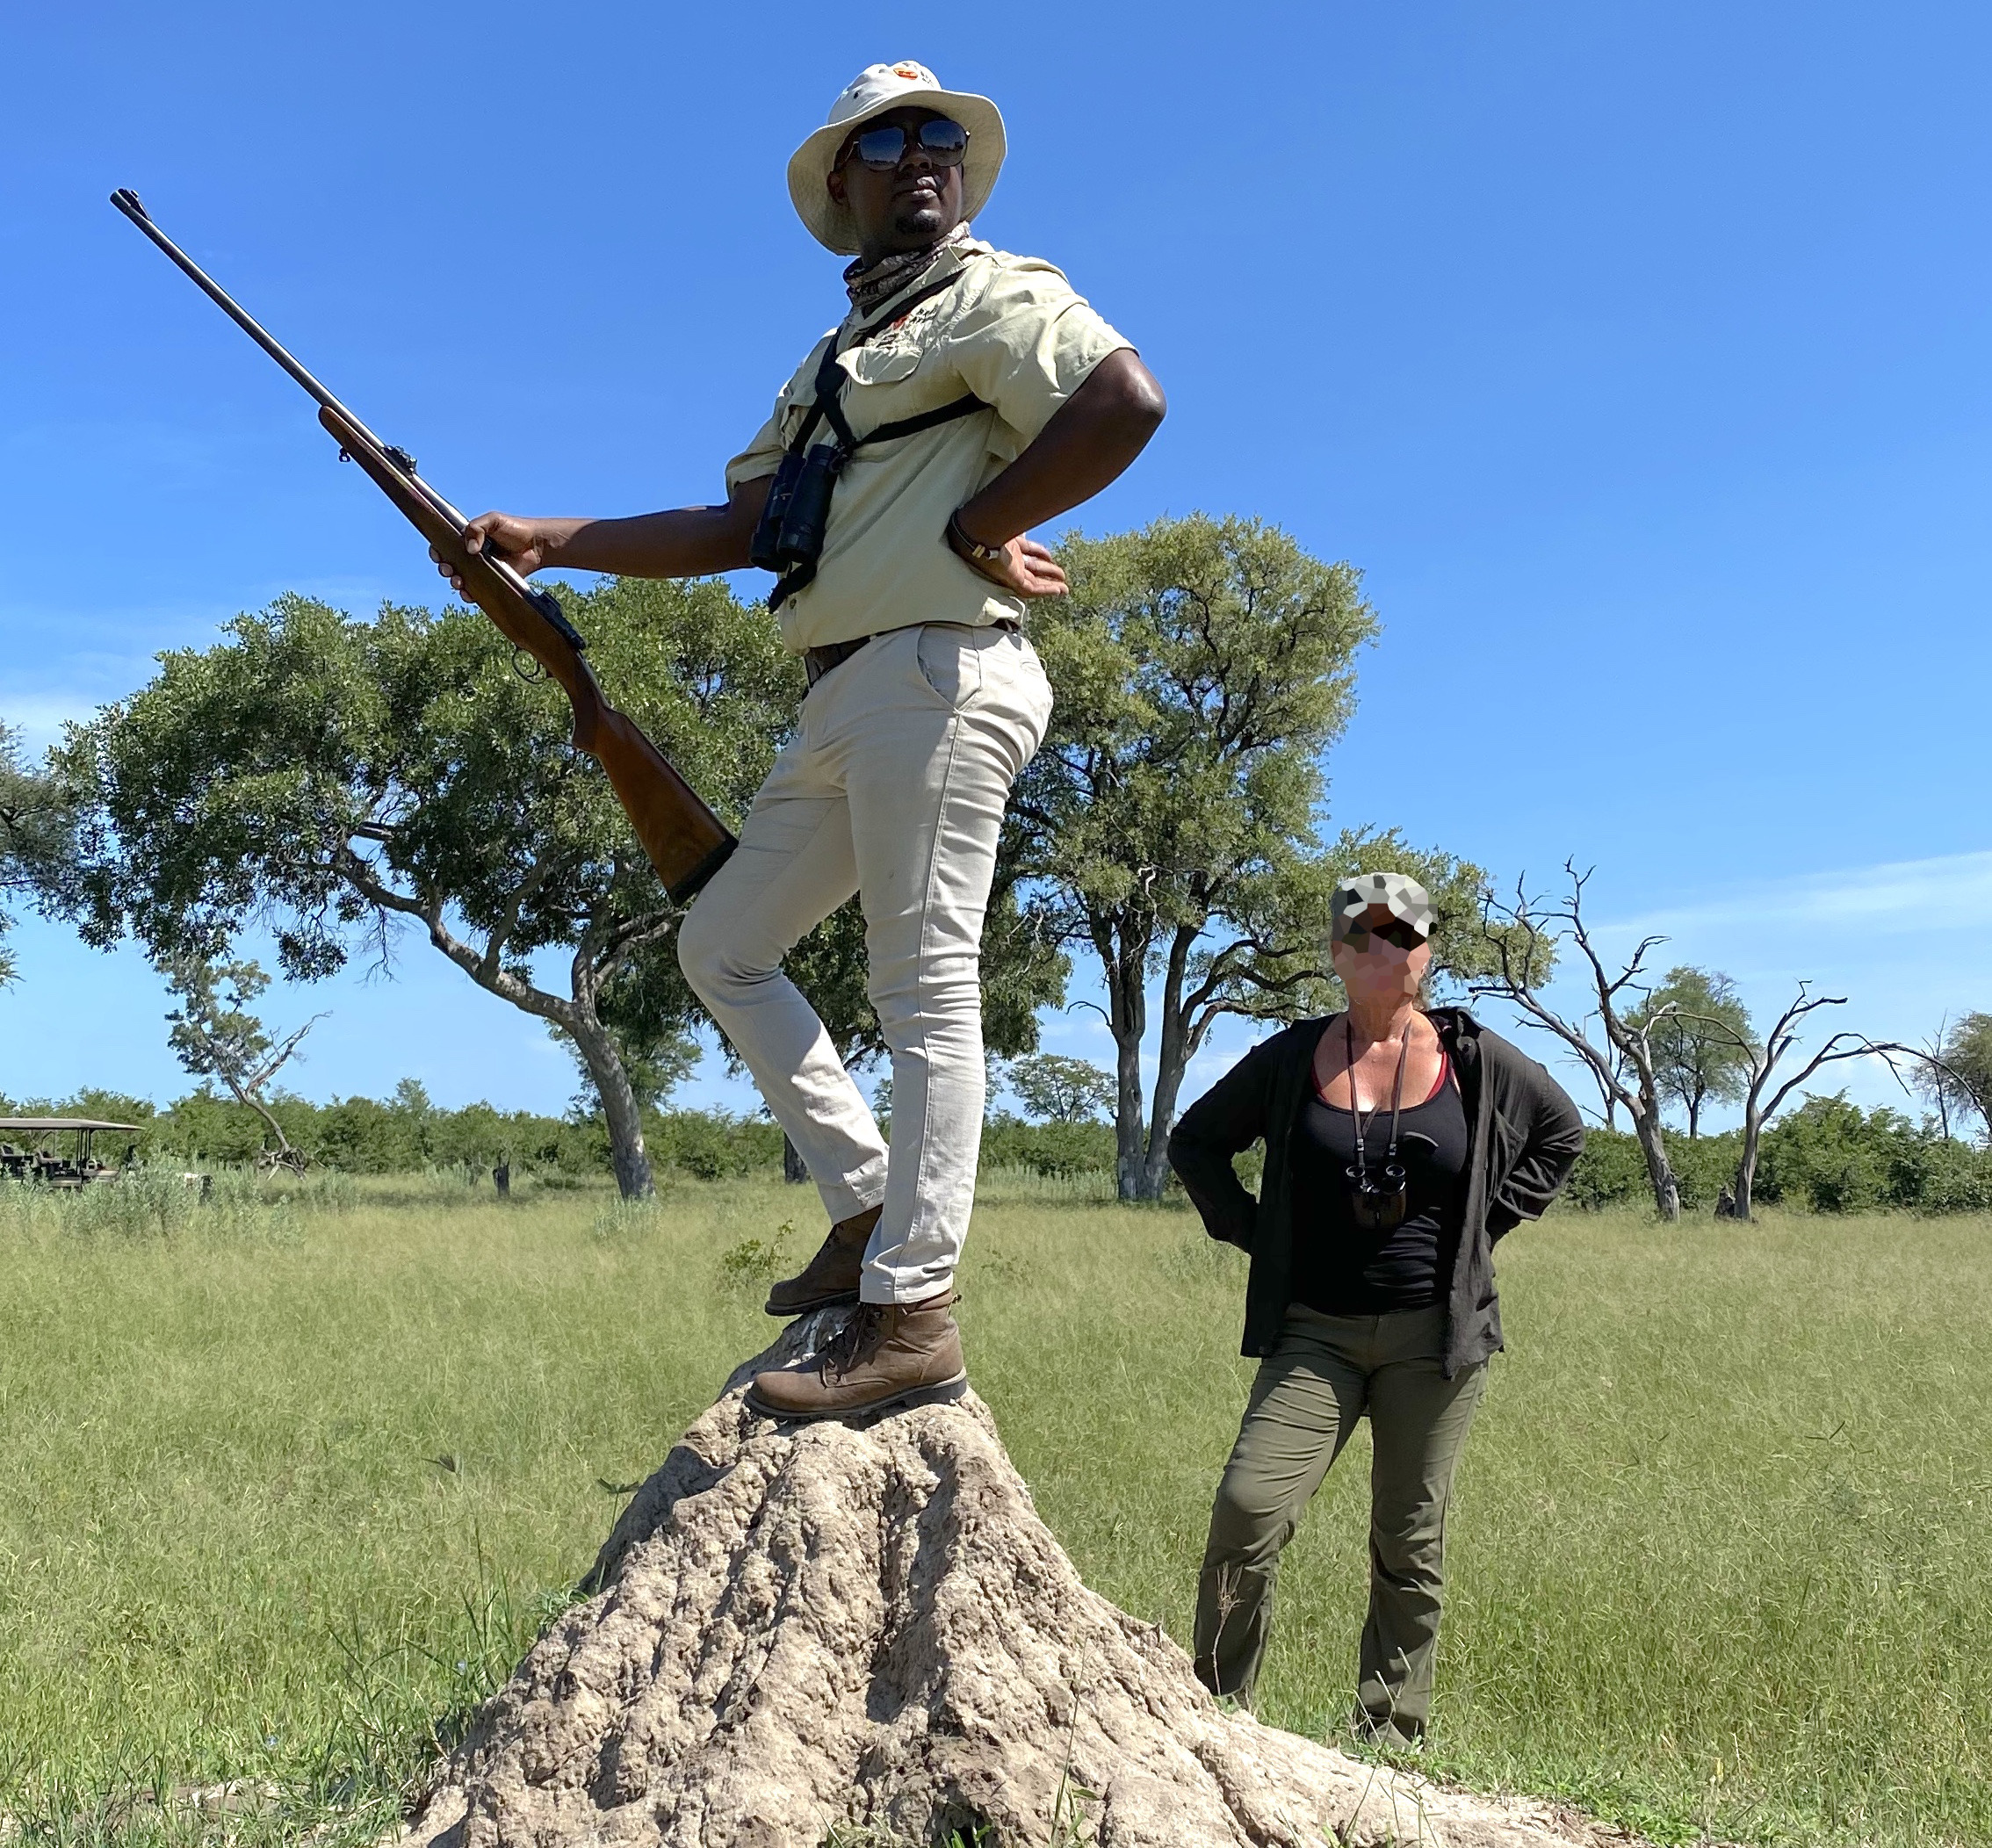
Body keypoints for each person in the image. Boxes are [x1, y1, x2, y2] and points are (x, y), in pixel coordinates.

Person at [434, 61, 1166, 1420]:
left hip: (942, 673)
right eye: (883, 143)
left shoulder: (993, 293)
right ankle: (869, 1201)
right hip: (842, 693)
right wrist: (551, 543)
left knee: (925, 991)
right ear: (844, 184)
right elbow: (734, 532)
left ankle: (915, 1309)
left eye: (936, 135)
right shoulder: (830, 362)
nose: (917, 157)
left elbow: (1121, 400)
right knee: (721, 942)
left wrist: (975, 521)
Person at [1166, 872, 1584, 1746]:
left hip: (1433, 1335)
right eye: (1363, 935)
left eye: (1402, 935)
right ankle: (1212, 1716)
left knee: (1409, 1535)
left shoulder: (1474, 1059)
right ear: (1334, 955)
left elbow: (1561, 1133)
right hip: (1314, 1329)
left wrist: (1484, 1229)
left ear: (1427, 954)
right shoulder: (1290, 1057)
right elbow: (1195, 1141)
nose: (1382, 949)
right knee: (1247, 1509)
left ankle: (1389, 1735)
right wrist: (1258, 1235)